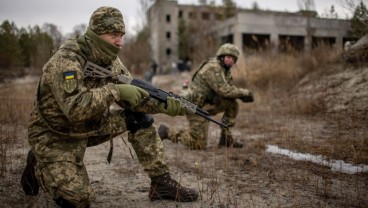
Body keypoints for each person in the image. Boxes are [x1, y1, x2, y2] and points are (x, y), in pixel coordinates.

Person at [20, 6, 198, 207]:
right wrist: (116, 91)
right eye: (114, 34)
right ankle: (38, 160)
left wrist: (164, 105)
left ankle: (161, 183)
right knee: (77, 199)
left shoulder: (111, 60)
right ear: (96, 33)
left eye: (121, 35)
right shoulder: (67, 60)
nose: (119, 41)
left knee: (138, 118)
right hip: (54, 134)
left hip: (89, 126)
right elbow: (75, 108)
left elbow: (133, 97)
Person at [158, 43, 254, 150]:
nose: (230, 60)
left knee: (232, 103)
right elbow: (224, 90)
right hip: (194, 107)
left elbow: (229, 89)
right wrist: (245, 93)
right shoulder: (213, 67)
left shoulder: (224, 70)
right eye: (228, 57)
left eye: (233, 58)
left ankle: (226, 139)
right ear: (222, 56)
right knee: (198, 144)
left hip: (207, 105)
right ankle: (167, 132)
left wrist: (239, 95)